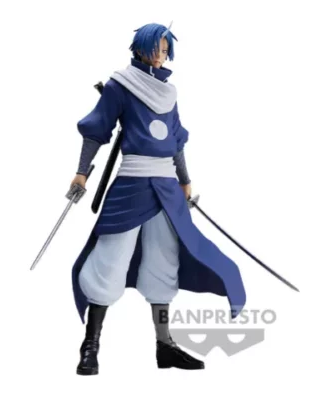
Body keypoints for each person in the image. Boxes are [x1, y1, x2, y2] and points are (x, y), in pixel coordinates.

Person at [69, 22, 246, 375]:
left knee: (164, 262)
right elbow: (98, 129)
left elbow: (176, 140)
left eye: (166, 51)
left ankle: (165, 346)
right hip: (131, 185)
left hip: (166, 187)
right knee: (110, 259)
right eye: (157, 49)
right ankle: (90, 346)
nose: (161, 55)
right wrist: (81, 172)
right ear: (140, 47)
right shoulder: (121, 84)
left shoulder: (168, 93)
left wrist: (185, 180)